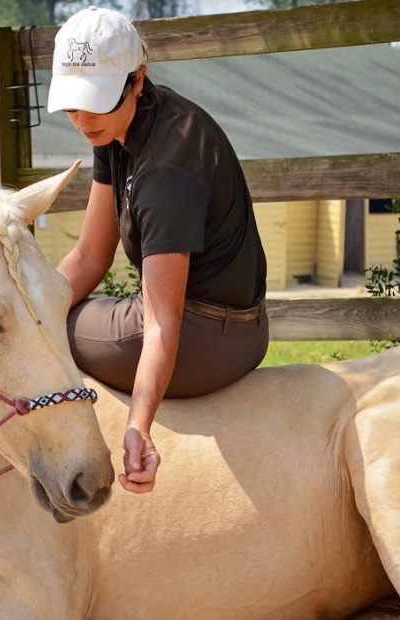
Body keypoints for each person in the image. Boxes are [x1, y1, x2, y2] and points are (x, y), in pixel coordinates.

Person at [46, 6, 269, 495]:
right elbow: (89, 255)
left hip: (209, 334)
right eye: (73, 104)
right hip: (206, 320)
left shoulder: (168, 165)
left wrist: (138, 426)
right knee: (39, 320)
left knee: (54, 329)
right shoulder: (116, 128)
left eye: (95, 103)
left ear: (138, 78)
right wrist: (31, 309)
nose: (81, 119)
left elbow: (161, 321)